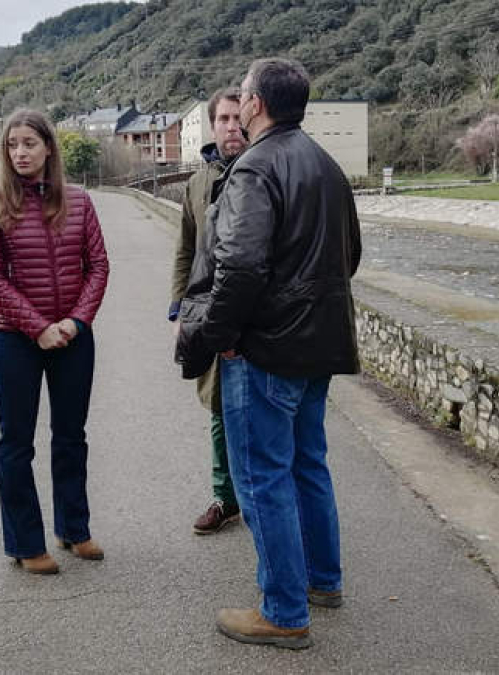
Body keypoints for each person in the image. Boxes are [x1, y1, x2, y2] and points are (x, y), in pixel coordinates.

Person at [175, 58, 362, 649]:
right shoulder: (326, 165)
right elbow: (348, 255)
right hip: (318, 346)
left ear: (255, 105)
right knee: (308, 463)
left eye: (244, 100)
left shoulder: (254, 168)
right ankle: (322, 581)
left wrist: (219, 337)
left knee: (262, 480)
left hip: (266, 350)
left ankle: (283, 611)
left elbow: (241, 267)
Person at [0, 108, 110, 575]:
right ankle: (25, 542)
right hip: (15, 341)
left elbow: (99, 268)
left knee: (71, 437)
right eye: (12, 145)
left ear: (49, 147)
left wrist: (75, 322)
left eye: (29, 143)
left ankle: (75, 529)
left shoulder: (79, 201)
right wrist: (38, 326)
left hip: (73, 337)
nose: (20, 153)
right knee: (16, 442)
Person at [169, 86, 248, 535]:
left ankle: (257, 497)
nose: (232, 127)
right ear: (212, 124)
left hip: (252, 319)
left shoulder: (261, 171)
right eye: (223, 119)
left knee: (254, 408)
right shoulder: (197, 183)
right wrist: (179, 308)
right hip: (206, 311)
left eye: (238, 118)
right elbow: (184, 247)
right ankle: (225, 497)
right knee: (217, 406)